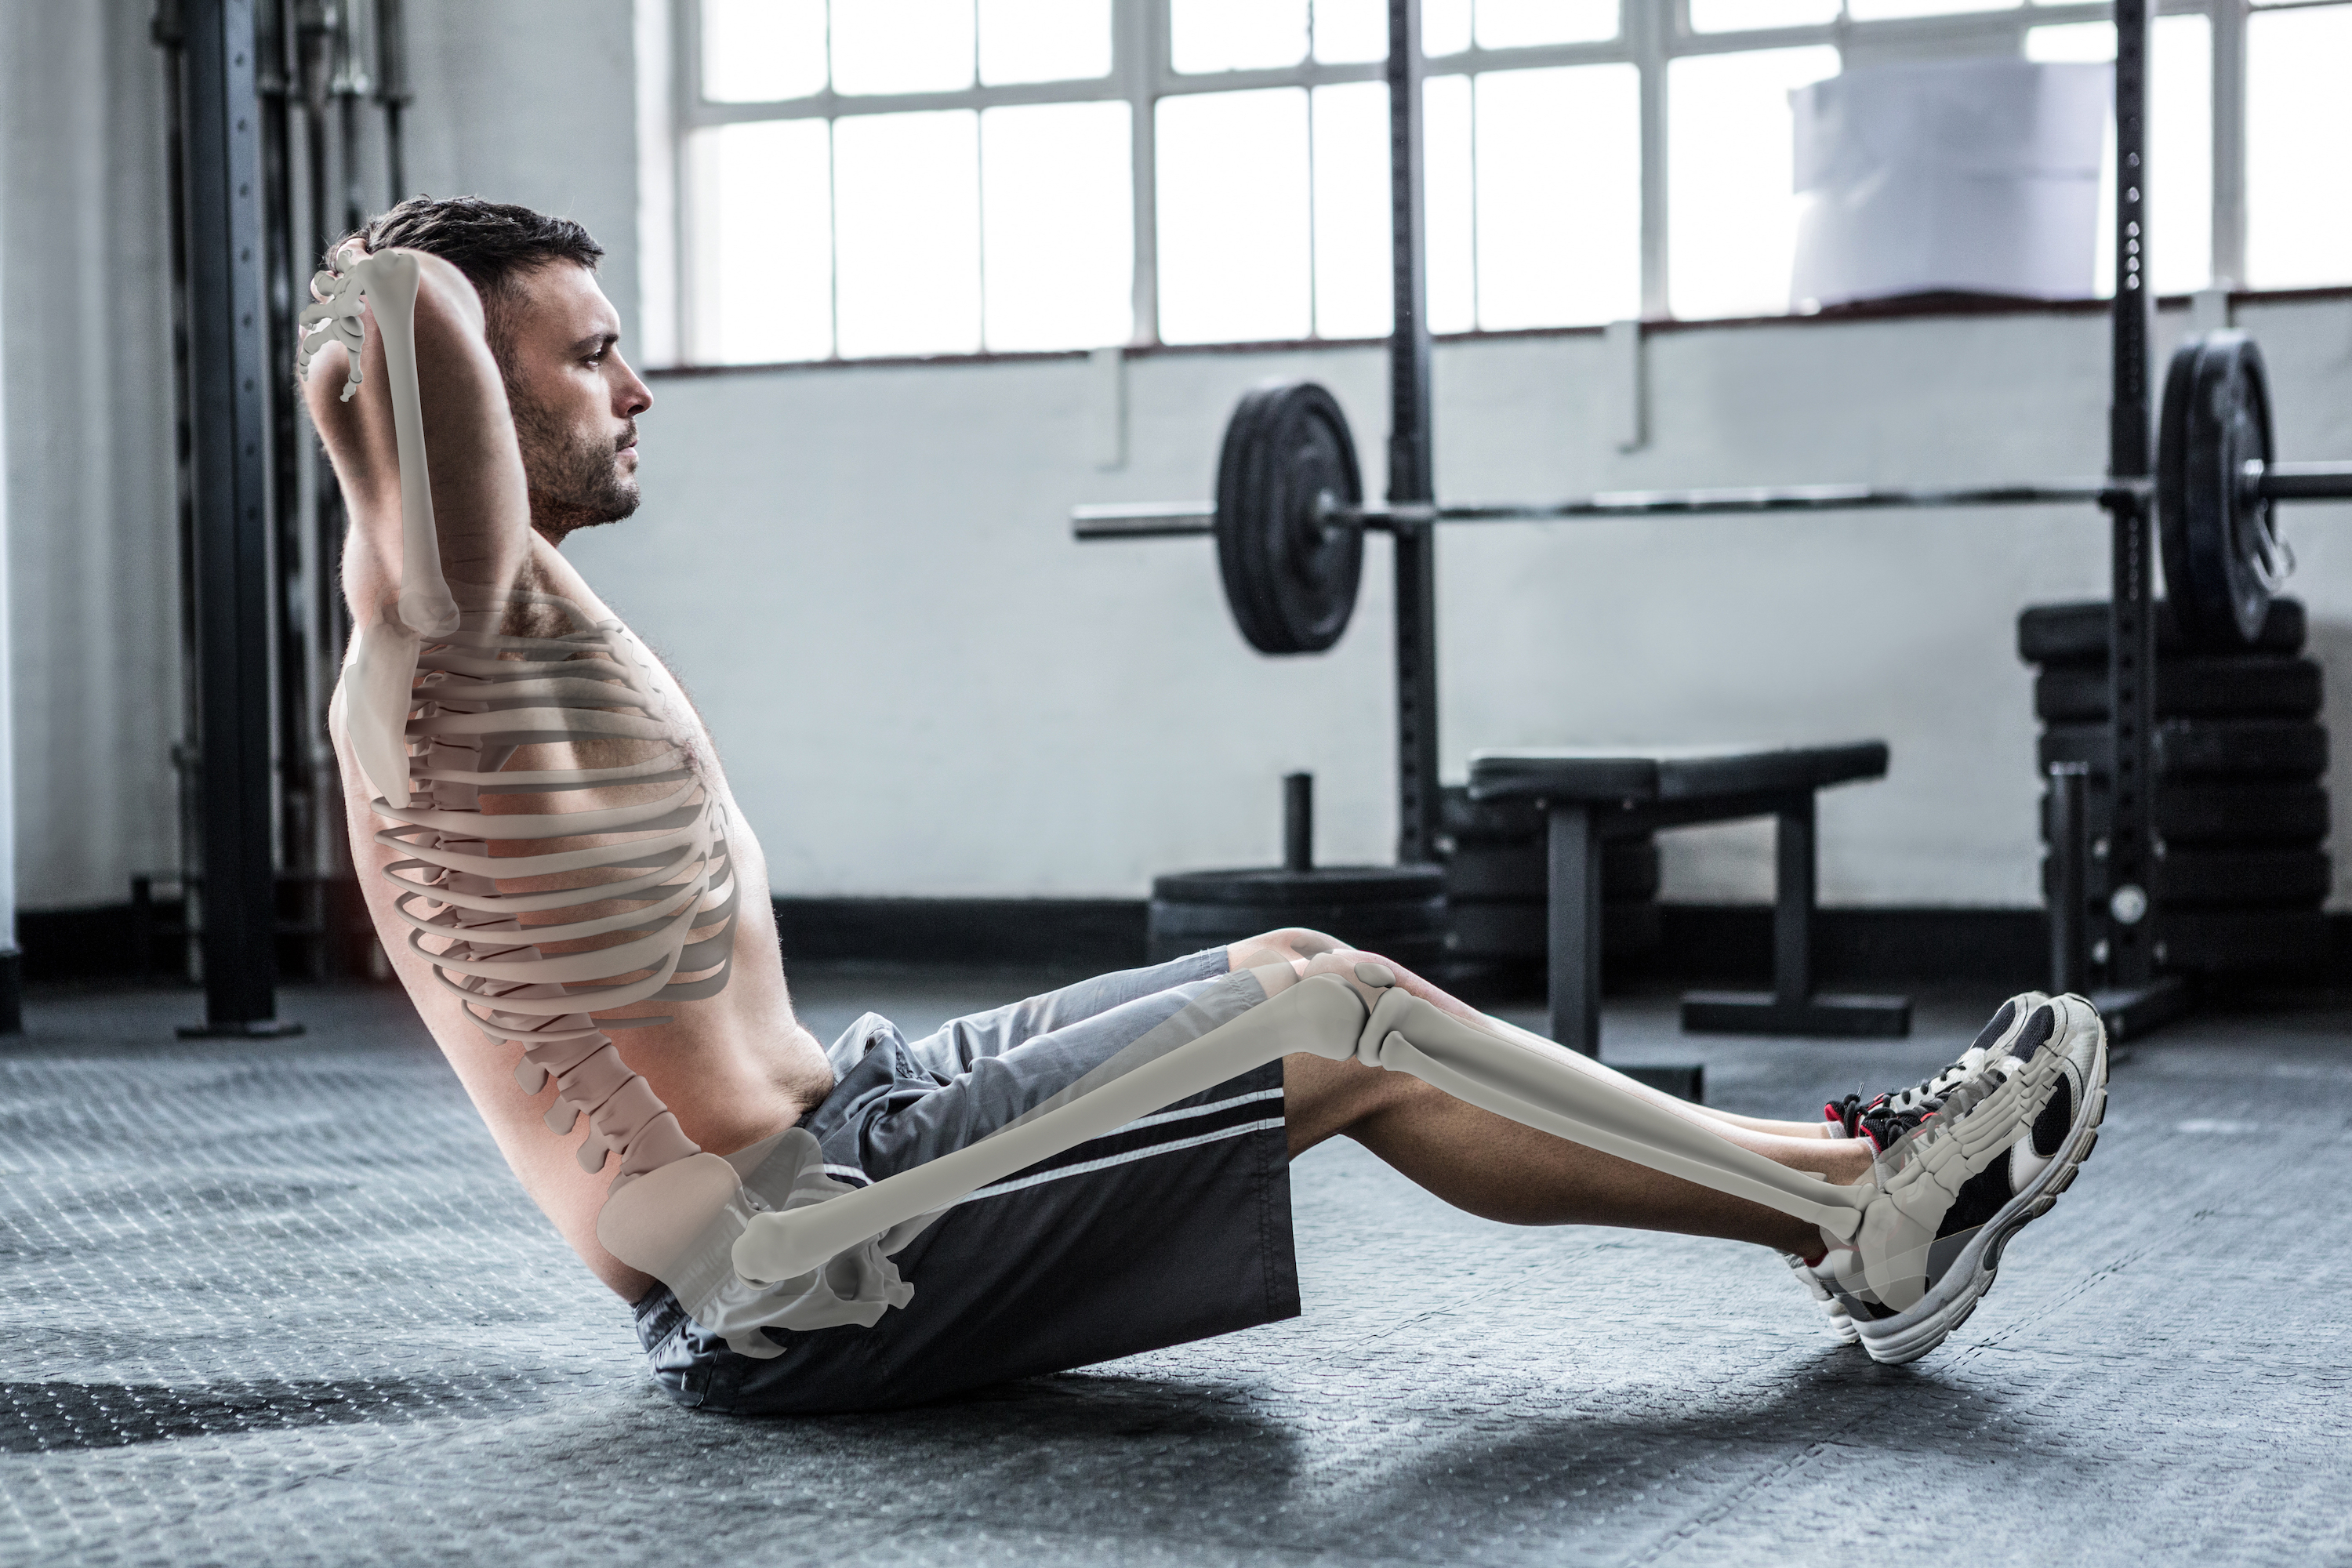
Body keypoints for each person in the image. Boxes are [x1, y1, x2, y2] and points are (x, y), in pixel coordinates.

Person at [303, 197, 2105, 1416]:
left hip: (858, 1110)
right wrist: (390, 280)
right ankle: (1862, 1220)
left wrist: (419, 313)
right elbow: (401, 315)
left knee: (1302, 959)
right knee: (1341, 1023)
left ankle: (1850, 1174)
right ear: (449, 387)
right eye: (584, 354)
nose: (636, 388)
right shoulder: (448, 622)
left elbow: (415, 347)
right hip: (795, 1262)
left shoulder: (490, 612)